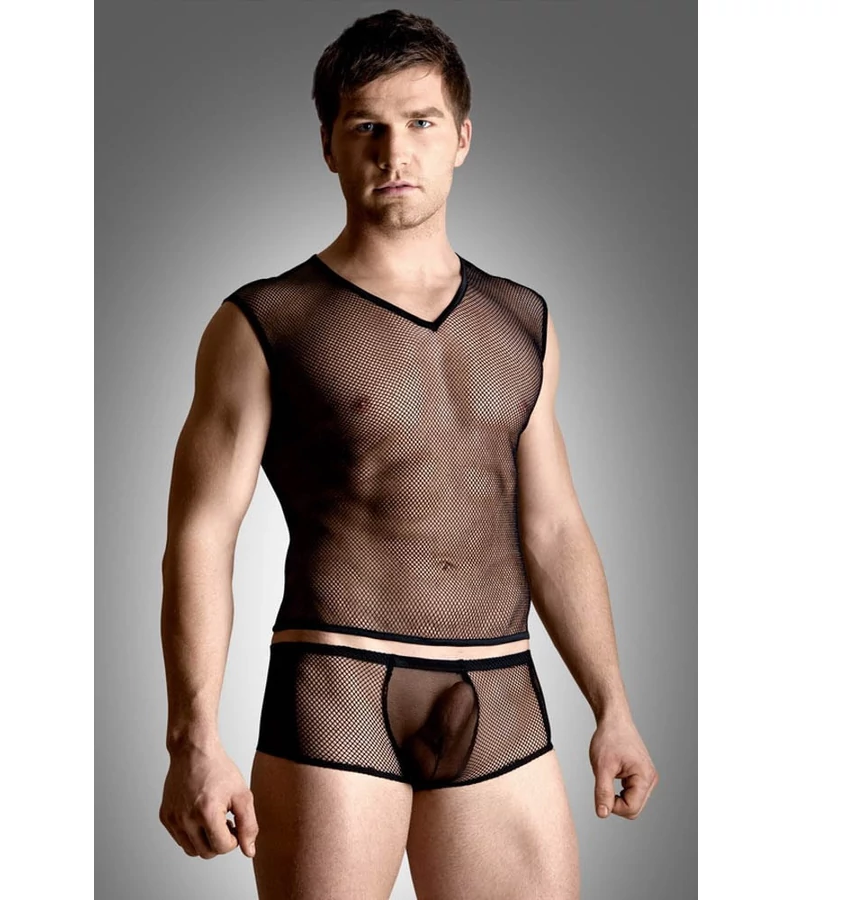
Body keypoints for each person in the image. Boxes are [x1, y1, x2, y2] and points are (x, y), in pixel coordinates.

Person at [159, 8, 658, 898]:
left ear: (461, 137)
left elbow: (552, 528)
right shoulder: (265, 321)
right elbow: (201, 535)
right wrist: (193, 739)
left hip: (498, 688)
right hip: (338, 685)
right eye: (367, 127)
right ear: (328, 144)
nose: (395, 153)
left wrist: (612, 706)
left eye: (421, 122)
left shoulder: (524, 320)